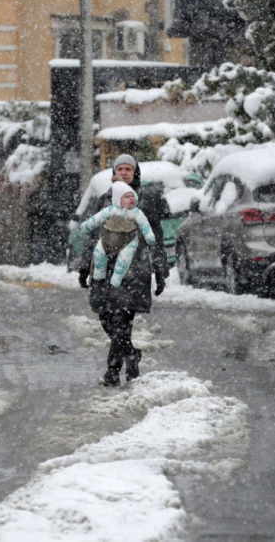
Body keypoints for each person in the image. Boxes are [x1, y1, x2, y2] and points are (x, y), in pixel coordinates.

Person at [78, 154, 171, 387]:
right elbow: (92, 235)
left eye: (128, 168)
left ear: (135, 172)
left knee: (122, 320)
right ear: (114, 172)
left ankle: (112, 371)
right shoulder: (104, 200)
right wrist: (83, 267)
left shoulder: (145, 201)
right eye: (120, 168)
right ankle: (131, 354)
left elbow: (155, 239)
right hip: (105, 268)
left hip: (134, 269)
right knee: (106, 318)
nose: (124, 172)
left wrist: (160, 271)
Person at [80, 181, 156, 288]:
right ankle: (99, 272)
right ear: (118, 199)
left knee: (125, 259)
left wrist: (149, 235)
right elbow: (97, 218)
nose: (131, 199)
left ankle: (117, 277)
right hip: (108, 239)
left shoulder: (136, 213)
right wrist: (88, 225)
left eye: (132, 196)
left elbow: (145, 225)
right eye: (127, 197)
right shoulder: (110, 210)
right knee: (99, 253)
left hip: (128, 240)